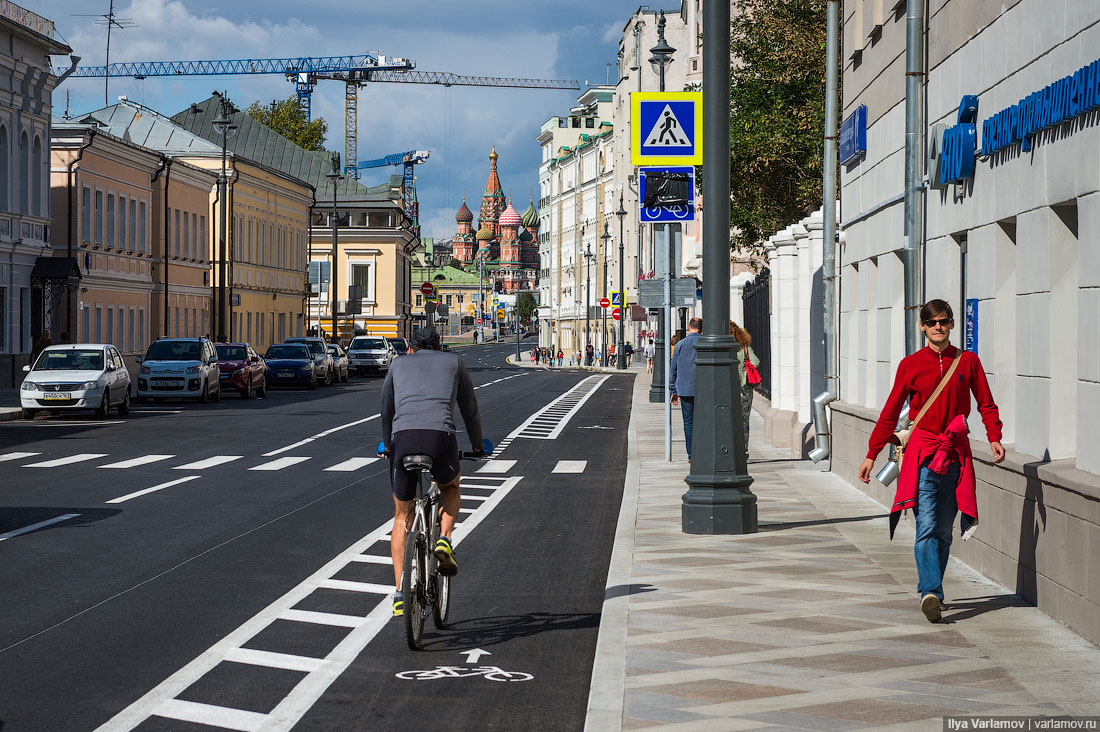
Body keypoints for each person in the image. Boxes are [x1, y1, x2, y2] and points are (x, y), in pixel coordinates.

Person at [858, 300, 1004, 623]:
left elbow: (986, 404)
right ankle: (930, 592)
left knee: (944, 531)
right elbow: (891, 412)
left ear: (952, 325)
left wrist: (994, 437)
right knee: (925, 526)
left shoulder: (968, 362)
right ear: (923, 327)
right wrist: (872, 452)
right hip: (923, 455)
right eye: (932, 322)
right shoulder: (910, 365)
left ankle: (931, 587)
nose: (938, 326)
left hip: (954, 455)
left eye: (944, 321)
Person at [380, 327, 484, 618]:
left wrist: (388, 444)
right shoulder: (454, 362)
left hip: (403, 439)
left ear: (410, 348)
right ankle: (444, 539)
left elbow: (386, 410)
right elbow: (469, 408)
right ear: (440, 348)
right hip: (441, 438)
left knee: (402, 515)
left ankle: (401, 591)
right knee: (450, 487)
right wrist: (477, 446)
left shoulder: (398, 363)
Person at [669, 318, 702, 459]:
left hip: (685, 388)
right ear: (701, 328)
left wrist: (673, 391)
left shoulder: (680, 345)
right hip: (703, 389)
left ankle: (691, 454)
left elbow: (673, 370)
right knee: (702, 421)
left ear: (689, 327)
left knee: (688, 422)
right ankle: (702, 451)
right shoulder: (706, 342)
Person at [730, 321, 760, 462]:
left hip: (728, 388)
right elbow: (755, 362)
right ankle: (743, 449)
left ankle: (730, 448)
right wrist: (744, 371)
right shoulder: (744, 347)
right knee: (743, 420)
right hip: (745, 388)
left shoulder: (726, 348)